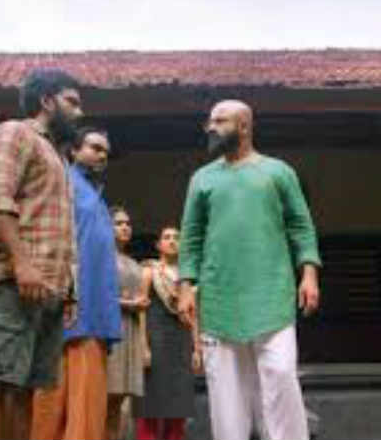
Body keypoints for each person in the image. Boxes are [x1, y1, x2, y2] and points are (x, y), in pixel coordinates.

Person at [177, 99, 322, 440]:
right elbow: (191, 236)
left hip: (271, 293)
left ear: (244, 126)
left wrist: (309, 273)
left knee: (281, 374)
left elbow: (301, 225)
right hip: (219, 297)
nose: (211, 128)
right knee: (226, 393)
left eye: (220, 121)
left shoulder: (278, 172)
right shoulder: (202, 179)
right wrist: (185, 285)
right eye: (210, 122)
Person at [0, 68, 83, 440]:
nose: (79, 112)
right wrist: (22, 263)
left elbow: (63, 230)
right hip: (14, 280)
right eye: (72, 102)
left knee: (26, 390)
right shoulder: (14, 132)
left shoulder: (60, 158)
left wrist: (68, 291)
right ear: (46, 101)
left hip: (48, 288)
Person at [31, 126, 122, 440]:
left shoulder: (94, 195)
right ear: (73, 150)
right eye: (95, 148)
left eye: (106, 151)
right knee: (51, 403)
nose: (102, 155)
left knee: (87, 405)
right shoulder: (63, 183)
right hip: (68, 307)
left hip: (95, 314)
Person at [134, 226, 195, 440]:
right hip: (156, 339)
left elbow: (194, 315)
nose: (172, 241)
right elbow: (141, 310)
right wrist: (143, 346)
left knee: (178, 406)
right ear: (159, 245)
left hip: (181, 342)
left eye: (177, 237)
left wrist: (197, 349)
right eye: (167, 237)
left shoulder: (187, 278)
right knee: (151, 404)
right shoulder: (149, 272)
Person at [106, 206, 149, 440]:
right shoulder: (100, 257)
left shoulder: (133, 263)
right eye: (119, 223)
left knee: (120, 398)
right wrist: (129, 303)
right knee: (106, 395)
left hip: (130, 329)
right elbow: (96, 296)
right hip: (109, 330)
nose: (125, 227)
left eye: (128, 224)